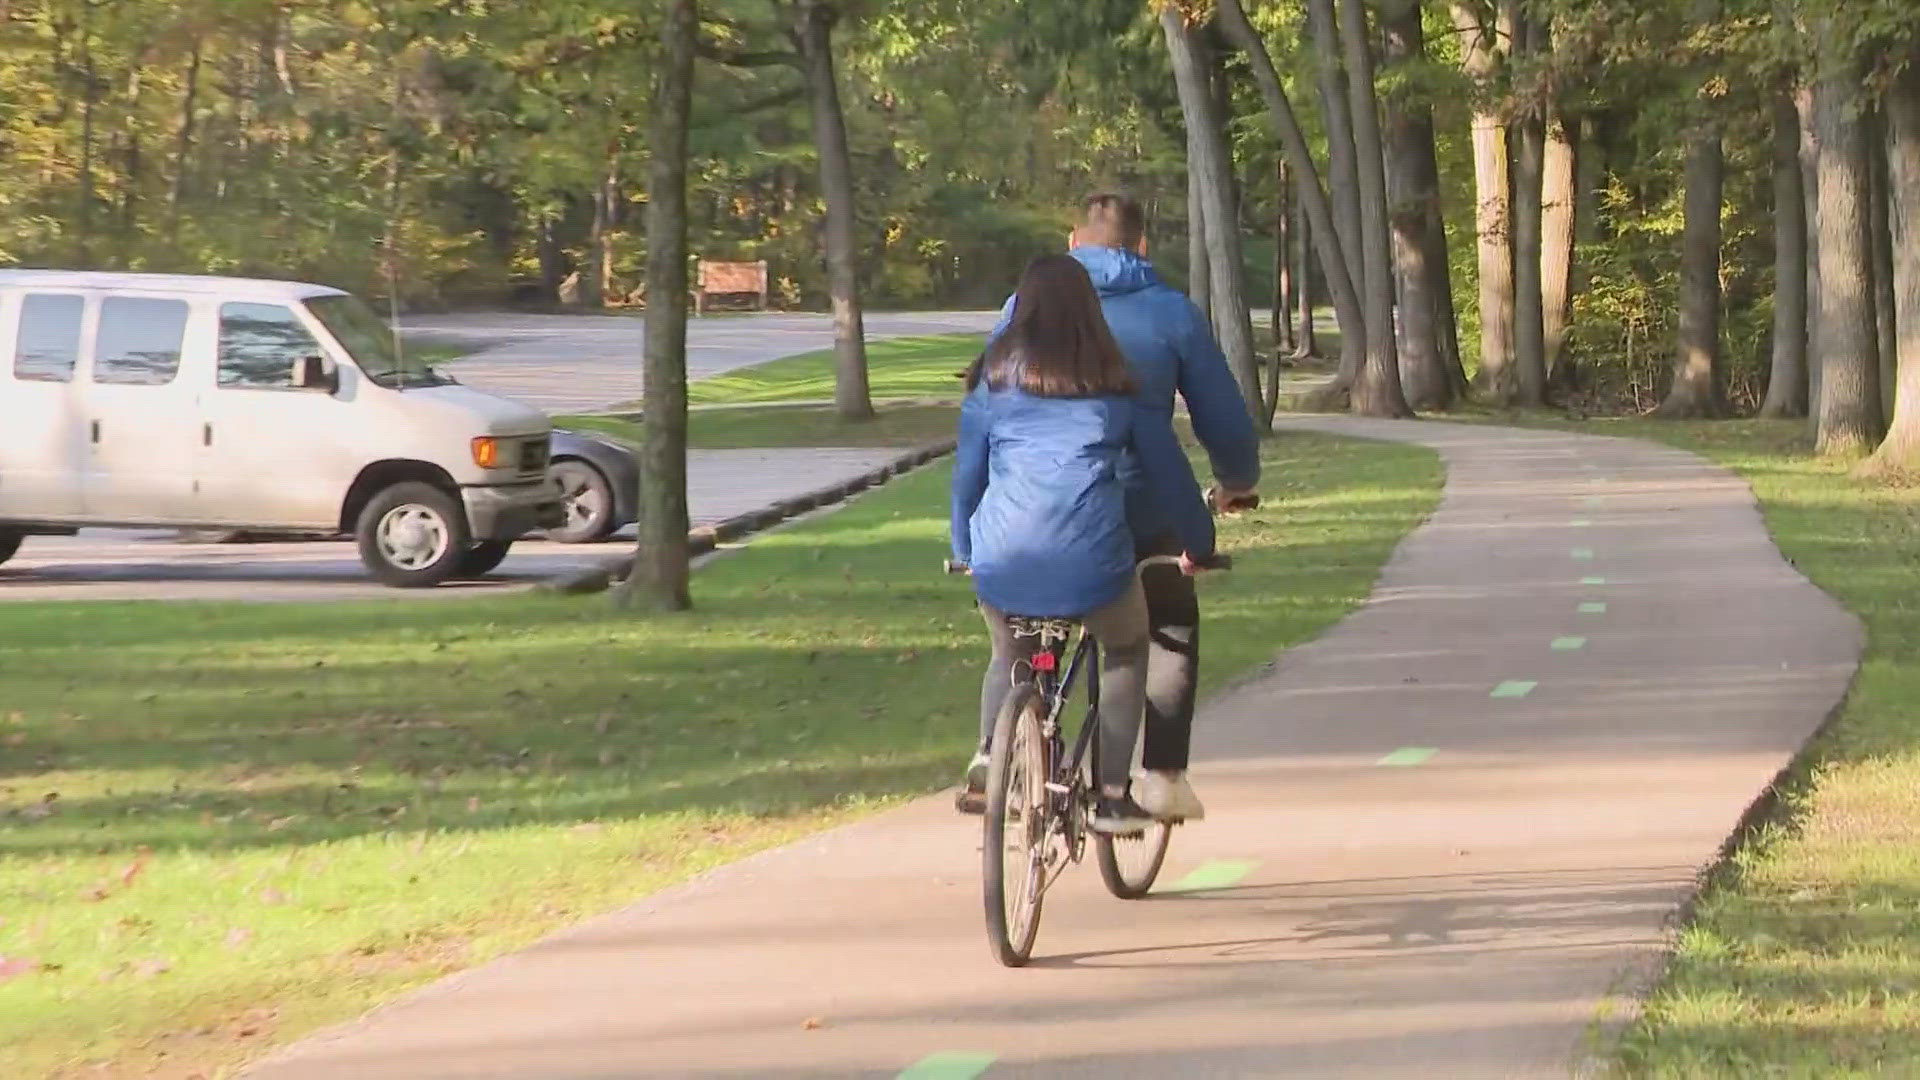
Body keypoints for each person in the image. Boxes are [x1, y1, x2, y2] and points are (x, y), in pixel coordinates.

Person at [980, 193, 1262, 822]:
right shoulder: (1172, 314)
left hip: (1031, 512)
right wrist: (1235, 483)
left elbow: (990, 411)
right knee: (1168, 623)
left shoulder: (1020, 308)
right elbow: (1222, 418)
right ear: (1141, 248)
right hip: (1139, 507)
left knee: (1020, 626)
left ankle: (1008, 751)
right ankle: (1160, 776)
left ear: (1073, 242)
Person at [950, 254, 1219, 835]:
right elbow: (1171, 481)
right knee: (1125, 650)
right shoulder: (1120, 395)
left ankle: (989, 755)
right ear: (1091, 318)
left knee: (1008, 652)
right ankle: (1113, 796)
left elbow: (967, 482)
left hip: (1003, 560)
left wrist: (965, 549)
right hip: (1092, 564)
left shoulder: (988, 391)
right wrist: (1198, 545)